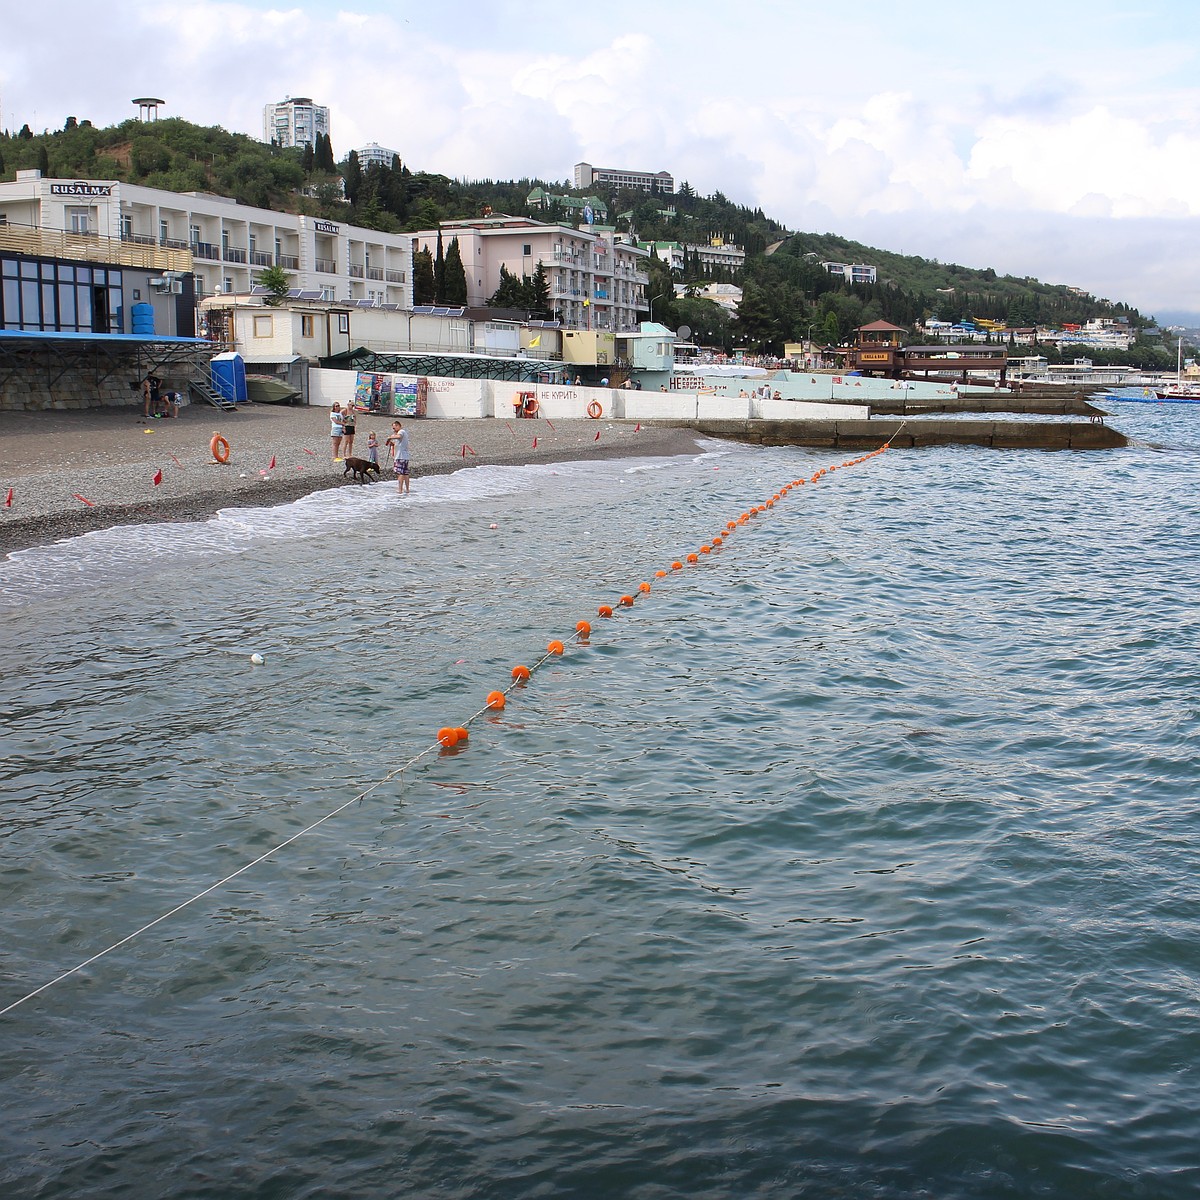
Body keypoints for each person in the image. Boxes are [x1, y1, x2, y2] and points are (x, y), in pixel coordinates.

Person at [386, 419, 411, 495]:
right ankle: (407, 489)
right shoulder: (400, 434)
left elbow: (399, 436)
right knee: (405, 473)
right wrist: (391, 442)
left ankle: (400, 490)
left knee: (400, 473)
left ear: (398, 426)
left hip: (401, 456)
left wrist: (390, 437)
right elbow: (395, 443)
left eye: (394, 428)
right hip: (405, 456)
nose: (394, 430)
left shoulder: (401, 431)